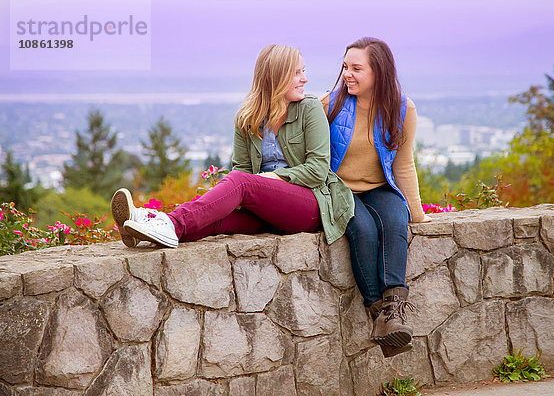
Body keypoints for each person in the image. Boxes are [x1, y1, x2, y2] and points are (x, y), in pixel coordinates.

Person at [111, 45, 353, 249]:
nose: (305, 79)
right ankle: (147, 228)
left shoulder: (309, 109)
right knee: (216, 221)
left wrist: (272, 177)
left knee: (240, 181)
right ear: (276, 78)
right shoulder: (247, 118)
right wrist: (234, 198)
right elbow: (243, 167)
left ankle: (168, 222)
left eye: (304, 71)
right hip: (265, 209)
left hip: (309, 206)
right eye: (297, 73)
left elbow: (318, 170)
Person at [322, 37, 431, 358]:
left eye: (357, 68)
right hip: (339, 189)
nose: (347, 75)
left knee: (397, 222)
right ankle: (379, 314)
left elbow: (403, 162)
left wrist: (418, 212)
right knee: (364, 229)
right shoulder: (329, 104)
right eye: (345, 67)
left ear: (378, 72)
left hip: (379, 187)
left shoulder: (402, 107)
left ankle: (392, 314)